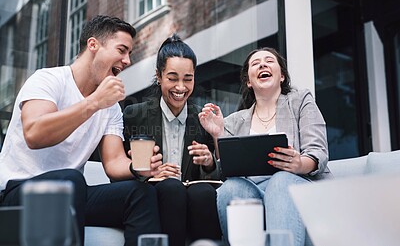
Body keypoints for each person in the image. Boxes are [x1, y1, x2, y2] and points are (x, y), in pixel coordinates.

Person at [0, 15, 163, 246]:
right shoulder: (48, 80)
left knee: (140, 194)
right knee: (71, 179)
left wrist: (138, 168)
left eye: (130, 54)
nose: (127, 61)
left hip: (72, 193)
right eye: (122, 50)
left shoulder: (111, 108)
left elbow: (114, 162)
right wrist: (94, 102)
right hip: (19, 193)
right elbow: (35, 134)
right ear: (93, 45)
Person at [198, 47, 331, 246]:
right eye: (255, 63)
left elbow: (318, 152)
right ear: (248, 82)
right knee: (231, 188)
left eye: (269, 61)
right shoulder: (234, 121)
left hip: (299, 187)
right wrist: (218, 135)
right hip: (254, 192)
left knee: (281, 180)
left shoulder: (301, 100)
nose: (262, 64)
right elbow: (227, 170)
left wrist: (299, 164)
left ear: (282, 76)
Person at [123, 34, 222, 246]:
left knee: (203, 192)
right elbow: (122, 170)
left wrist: (209, 162)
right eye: (172, 78)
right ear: (158, 76)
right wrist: (148, 172)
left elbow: (217, 174)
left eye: (188, 79)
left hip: (194, 198)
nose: (180, 87)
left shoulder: (203, 119)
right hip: (156, 196)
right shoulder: (135, 115)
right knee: (171, 188)